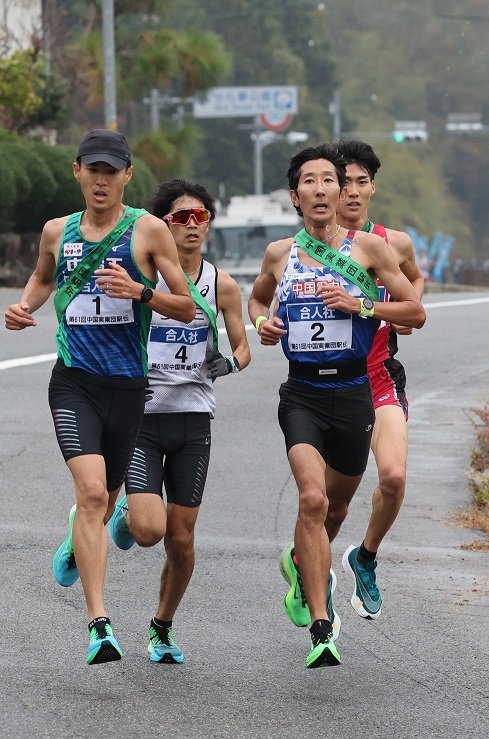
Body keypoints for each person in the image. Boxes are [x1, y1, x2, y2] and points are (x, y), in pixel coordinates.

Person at [4, 129, 195, 665]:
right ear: (77, 172)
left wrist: (140, 292)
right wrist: (25, 307)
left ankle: (77, 541)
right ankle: (99, 623)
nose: (102, 179)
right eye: (93, 169)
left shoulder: (150, 231)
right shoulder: (56, 231)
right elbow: (43, 279)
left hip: (128, 388)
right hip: (74, 381)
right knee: (91, 494)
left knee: (107, 498)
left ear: (128, 176)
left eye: (112, 170)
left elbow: (187, 307)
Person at [247, 143, 425, 668]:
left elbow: (414, 311)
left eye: (332, 181)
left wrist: (362, 304)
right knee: (312, 500)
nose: (324, 189)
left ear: (345, 190)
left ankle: (314, 561)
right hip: (301, 393)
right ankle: (322, 627)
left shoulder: (370, 249)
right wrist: (262, 323)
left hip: (356, 392)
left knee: (340, 504)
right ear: (295, 196)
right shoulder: (280, 254)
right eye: (311, 182)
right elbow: (257, 298)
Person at [106, 178, 251, 664]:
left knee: (182, 538)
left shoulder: (221, 284)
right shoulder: (138, 275)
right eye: (180, 217)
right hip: (144, 415)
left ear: (208, 224)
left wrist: (227, 363)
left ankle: (162, 627)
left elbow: (243, 348)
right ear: (163, 223)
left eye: (200, 217)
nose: (191, 226)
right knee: (150, 531)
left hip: (194, 418)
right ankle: (127, 514)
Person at [332, 139, 424, 621]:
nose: (351, 192)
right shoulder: (311, 246)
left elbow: (415, 283)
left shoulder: (395, 242)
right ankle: (308, 562)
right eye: (343, 182)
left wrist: (396, 314)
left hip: (381, 375)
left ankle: (364, 557)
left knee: (393, 477)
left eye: (360, 183)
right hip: (330, 384)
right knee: (328, 503)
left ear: (372, 188)